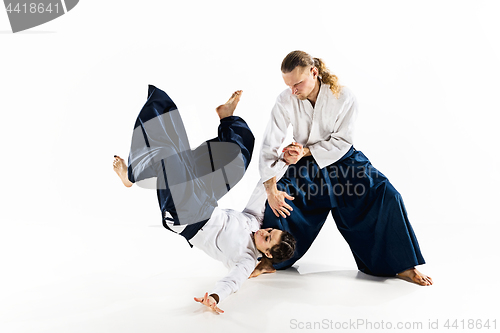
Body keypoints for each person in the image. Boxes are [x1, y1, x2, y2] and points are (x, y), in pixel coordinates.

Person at [113, 85, 296, 313]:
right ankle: (226, 117)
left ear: (266, 253)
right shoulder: (253, 222)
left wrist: (216, 298)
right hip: (205, 199)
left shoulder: (246, 259)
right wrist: (286, 162)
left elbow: (234, 281)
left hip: (187, 217)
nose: (264, 232)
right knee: (239, 158)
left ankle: (131, 175)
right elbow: (262, 188)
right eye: (269, 230)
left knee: (171, 160)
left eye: (267, 238)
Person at [255, 50, 432, 286]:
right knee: (281, 197)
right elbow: (269, 143)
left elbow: (342, 141)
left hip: (343, 161)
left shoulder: (344, 96)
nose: (293, 90)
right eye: (288, 85)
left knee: (387, 195)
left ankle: (403, 266)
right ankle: (270, 260)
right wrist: (271, 189)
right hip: (306, 166)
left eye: (297, 83)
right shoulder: (286, 99)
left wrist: (305, 150)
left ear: (314, 72)